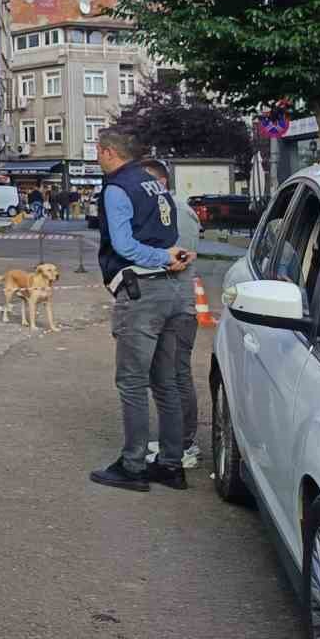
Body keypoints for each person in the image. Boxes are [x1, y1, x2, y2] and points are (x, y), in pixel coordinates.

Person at [89, 128, 194, 493]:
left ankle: (133, 465)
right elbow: (168, 234)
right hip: (174, 291)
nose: (97, 157)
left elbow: (124, 245)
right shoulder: (154, 184)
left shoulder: (117, 188)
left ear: (108, 152)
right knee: (166, 382)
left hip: (142, 291)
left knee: (132, 382)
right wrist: (171, 256)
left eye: (98, 151)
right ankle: (171, 464)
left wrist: (161, 257)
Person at [140, 158, 203, 469]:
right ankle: (173, 440)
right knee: (165, 375)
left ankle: (184, 445)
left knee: (177, 374)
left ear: (160, 183)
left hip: (178, 307)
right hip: (165, 304)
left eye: (144, 183)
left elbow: (180, 259)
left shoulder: (177, 211)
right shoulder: (161, 211)